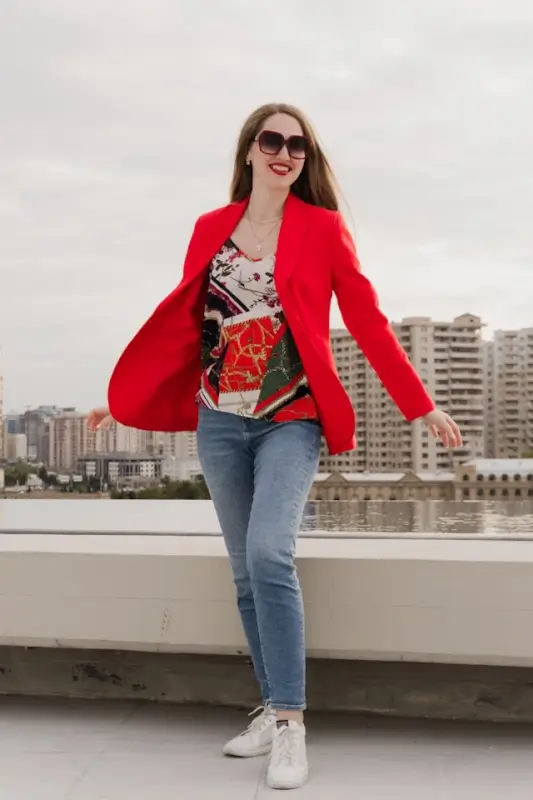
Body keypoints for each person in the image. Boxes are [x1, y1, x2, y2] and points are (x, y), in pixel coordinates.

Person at [87, 102, 463, 791]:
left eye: (297, 144)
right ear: (250, 151)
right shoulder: (209, 227)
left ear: (305, 159)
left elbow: (368, 321)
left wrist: (420, 402)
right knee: (242, 572)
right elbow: (185, 326)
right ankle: (267, 706)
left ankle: (289, 723)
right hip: (218, 420)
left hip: (292, 418)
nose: (284, 152)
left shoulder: (322, 229)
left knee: (269, 553)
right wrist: (122, 400)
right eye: (272, 140)